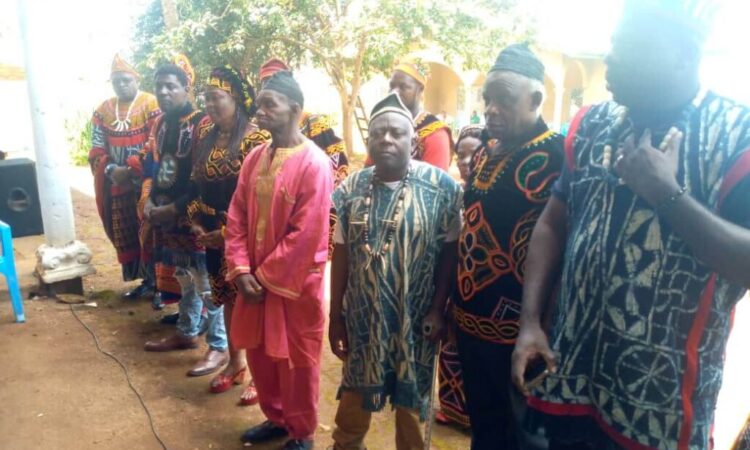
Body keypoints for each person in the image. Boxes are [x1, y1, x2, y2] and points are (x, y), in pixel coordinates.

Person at [511, 3, 750, 450]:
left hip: (660, 407)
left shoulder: (736, 137)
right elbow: (553, 221)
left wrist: (667, 194)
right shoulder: (591, 124)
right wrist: (529, 322)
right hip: (567, 380)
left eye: (628, 45)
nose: (610, 57)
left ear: (682, 54)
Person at [329, 92, 463, 450]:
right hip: (362, 317)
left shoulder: (442, 189)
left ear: (413, 142)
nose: (386, 139)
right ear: (368, 140)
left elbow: (451, 250)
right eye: (378, 133)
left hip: (415, 319)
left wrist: (439, 307)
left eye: (396, 133)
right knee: (354, 398)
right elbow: (340, 254)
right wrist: (335, 317)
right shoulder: (350, 190)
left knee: (412, 404)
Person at [454, 44, 563, 450]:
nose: (491, 109)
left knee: (522, 435)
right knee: (485, 429)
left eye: (504, 99)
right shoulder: (488, 151)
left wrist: (542, 323)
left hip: (519, 334)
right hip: (471, 325)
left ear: (536, 100)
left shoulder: (555, 155)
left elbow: (559, 243)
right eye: (488, 98)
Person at [225, 71, 333, 450]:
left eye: (270, 103)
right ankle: (276, 418)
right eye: (260, 102)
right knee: (261, 355)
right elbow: (236, 213)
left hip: (294, 286)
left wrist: (263, 278)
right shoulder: (255, 157)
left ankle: (301, 432)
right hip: (253, 281)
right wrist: (240, 269)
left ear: (295, 110)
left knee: (297, 362)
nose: (260, 110)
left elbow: (306, 234)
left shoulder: (316, 164)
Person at [140, 55, 229, 379]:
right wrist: (150, 199)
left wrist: (176, 208)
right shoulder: (161, 123)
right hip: (167, 215)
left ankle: (219, 345)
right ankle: (188, 330)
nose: (164, 92)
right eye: (159, 86)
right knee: (183, 275)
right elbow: (156, 165)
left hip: (193, 214)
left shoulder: (202, 123)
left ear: (186, 87)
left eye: (171, 86)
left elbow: (203, 176)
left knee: (207, 281)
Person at [186, 66, 270, 403]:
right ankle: (235, 364)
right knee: (226, 300)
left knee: (251, 301)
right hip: (210, 237)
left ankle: (260, 375)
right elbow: (195, 185)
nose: (209, 104)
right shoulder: (206, 136)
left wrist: (227, 233)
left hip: (244, 236)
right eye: (206, 98)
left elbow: (261, 198)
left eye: (216, 97)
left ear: (235, 98)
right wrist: (195, 221)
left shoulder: (256, 139)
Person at [258, 58, 349, 257]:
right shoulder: (258, 129)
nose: (269, 87)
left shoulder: (315, 124)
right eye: (264, 83)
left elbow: (338, 170)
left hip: (308, 213)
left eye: (274, 81)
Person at [89, 54, 160, 300]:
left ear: (136, 79)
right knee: (126, 232)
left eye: (126, 80)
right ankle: (146, 281)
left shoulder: (151, 103)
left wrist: (130, 168)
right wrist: (110, 170)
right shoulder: (102, 110)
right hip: (116, 184)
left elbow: (155, 141)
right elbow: (96, 147)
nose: (121, 85)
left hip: (147, 182)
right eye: (116, 81)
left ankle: (162, 284)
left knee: (151, 230)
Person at [434, 124, 484, 430]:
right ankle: (453, 411)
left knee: (474, 357)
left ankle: (473, 414)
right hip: (453, 286)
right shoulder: (454, 196)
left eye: (473, 154)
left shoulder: (495, 197)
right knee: (451, 350)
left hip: (481, 288)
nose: (465, 162)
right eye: (460, 155)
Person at [388, 58, 453, 171]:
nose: (394, 92)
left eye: (403, 87)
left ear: (420, 90)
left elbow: (434, 183)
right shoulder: (384, 125)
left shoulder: (435, 134)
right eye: (392, 86)